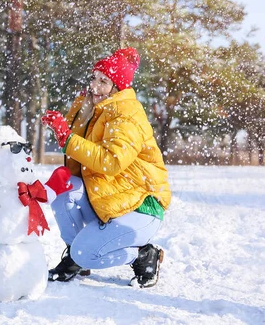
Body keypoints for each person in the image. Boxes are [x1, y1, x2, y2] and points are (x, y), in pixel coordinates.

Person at [41, 47, 172, 288]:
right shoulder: (98, 109)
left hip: (141, 205)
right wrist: (73, 120)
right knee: (64, 190)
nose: (95, 86)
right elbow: (76, 164)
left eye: (104, 81)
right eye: (93, 78)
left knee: (86, 253)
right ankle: (75, 257)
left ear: (117, 88)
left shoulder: (126, 114)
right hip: (112, 197)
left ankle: (143, 254)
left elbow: (111, 161)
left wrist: (67, 139)